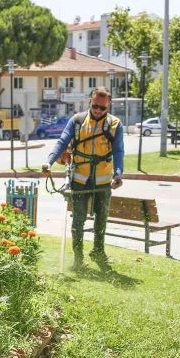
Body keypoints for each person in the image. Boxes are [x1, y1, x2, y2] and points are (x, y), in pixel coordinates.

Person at [41, 86, 124, 271]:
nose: (98, 111)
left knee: (101, 219)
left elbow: (119, 151)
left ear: (108, 106)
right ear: (90, 102)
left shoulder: (115, 125)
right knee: (78, 220)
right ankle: (78, 258)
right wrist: (49, 162)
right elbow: (62, 141)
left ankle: (98, 251)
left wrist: (118, 173)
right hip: (79, 179)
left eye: (103, 108)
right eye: (95, 106)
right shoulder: (77, 121)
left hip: (103, 181)